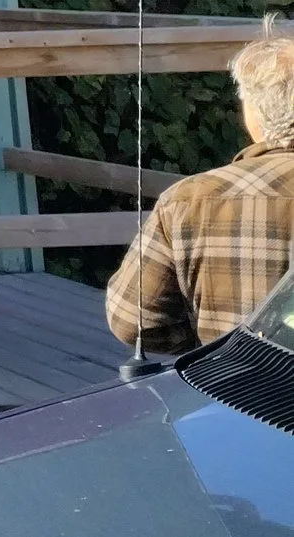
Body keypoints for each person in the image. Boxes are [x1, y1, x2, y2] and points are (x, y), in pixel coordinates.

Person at [106, 32, 294, 355]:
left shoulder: (187, 201)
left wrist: (206, 345)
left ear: (252, 114)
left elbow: (133, 321)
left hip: (231, 395)